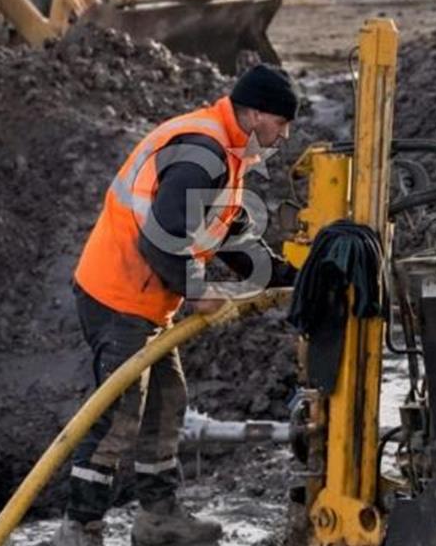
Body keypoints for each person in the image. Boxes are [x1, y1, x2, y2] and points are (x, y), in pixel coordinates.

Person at [55, 64, 299, 545]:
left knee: (167, 400)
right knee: (118, 412)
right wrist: (197, 288)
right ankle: (79, 528)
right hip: (118, 293)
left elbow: (227, 239)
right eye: (281, 124)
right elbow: (158, 239)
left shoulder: (224, 154)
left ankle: (158, 518)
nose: (284, 136)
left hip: (145, 300)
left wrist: (294, 278)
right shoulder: (202, 152)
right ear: (252, 115)